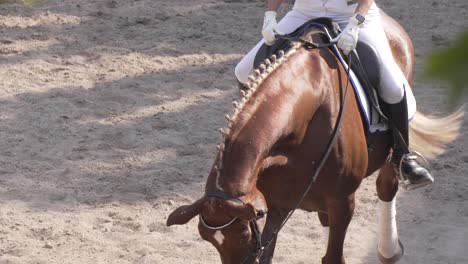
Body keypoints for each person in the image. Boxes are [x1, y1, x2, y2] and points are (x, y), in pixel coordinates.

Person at [234, 0, 433, 189]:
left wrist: (356, 23)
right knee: (243, 71)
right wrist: (270, 16)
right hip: (304, 13)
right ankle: (249, 140)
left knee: (394, 87)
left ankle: (402, 157)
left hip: (350, 15)